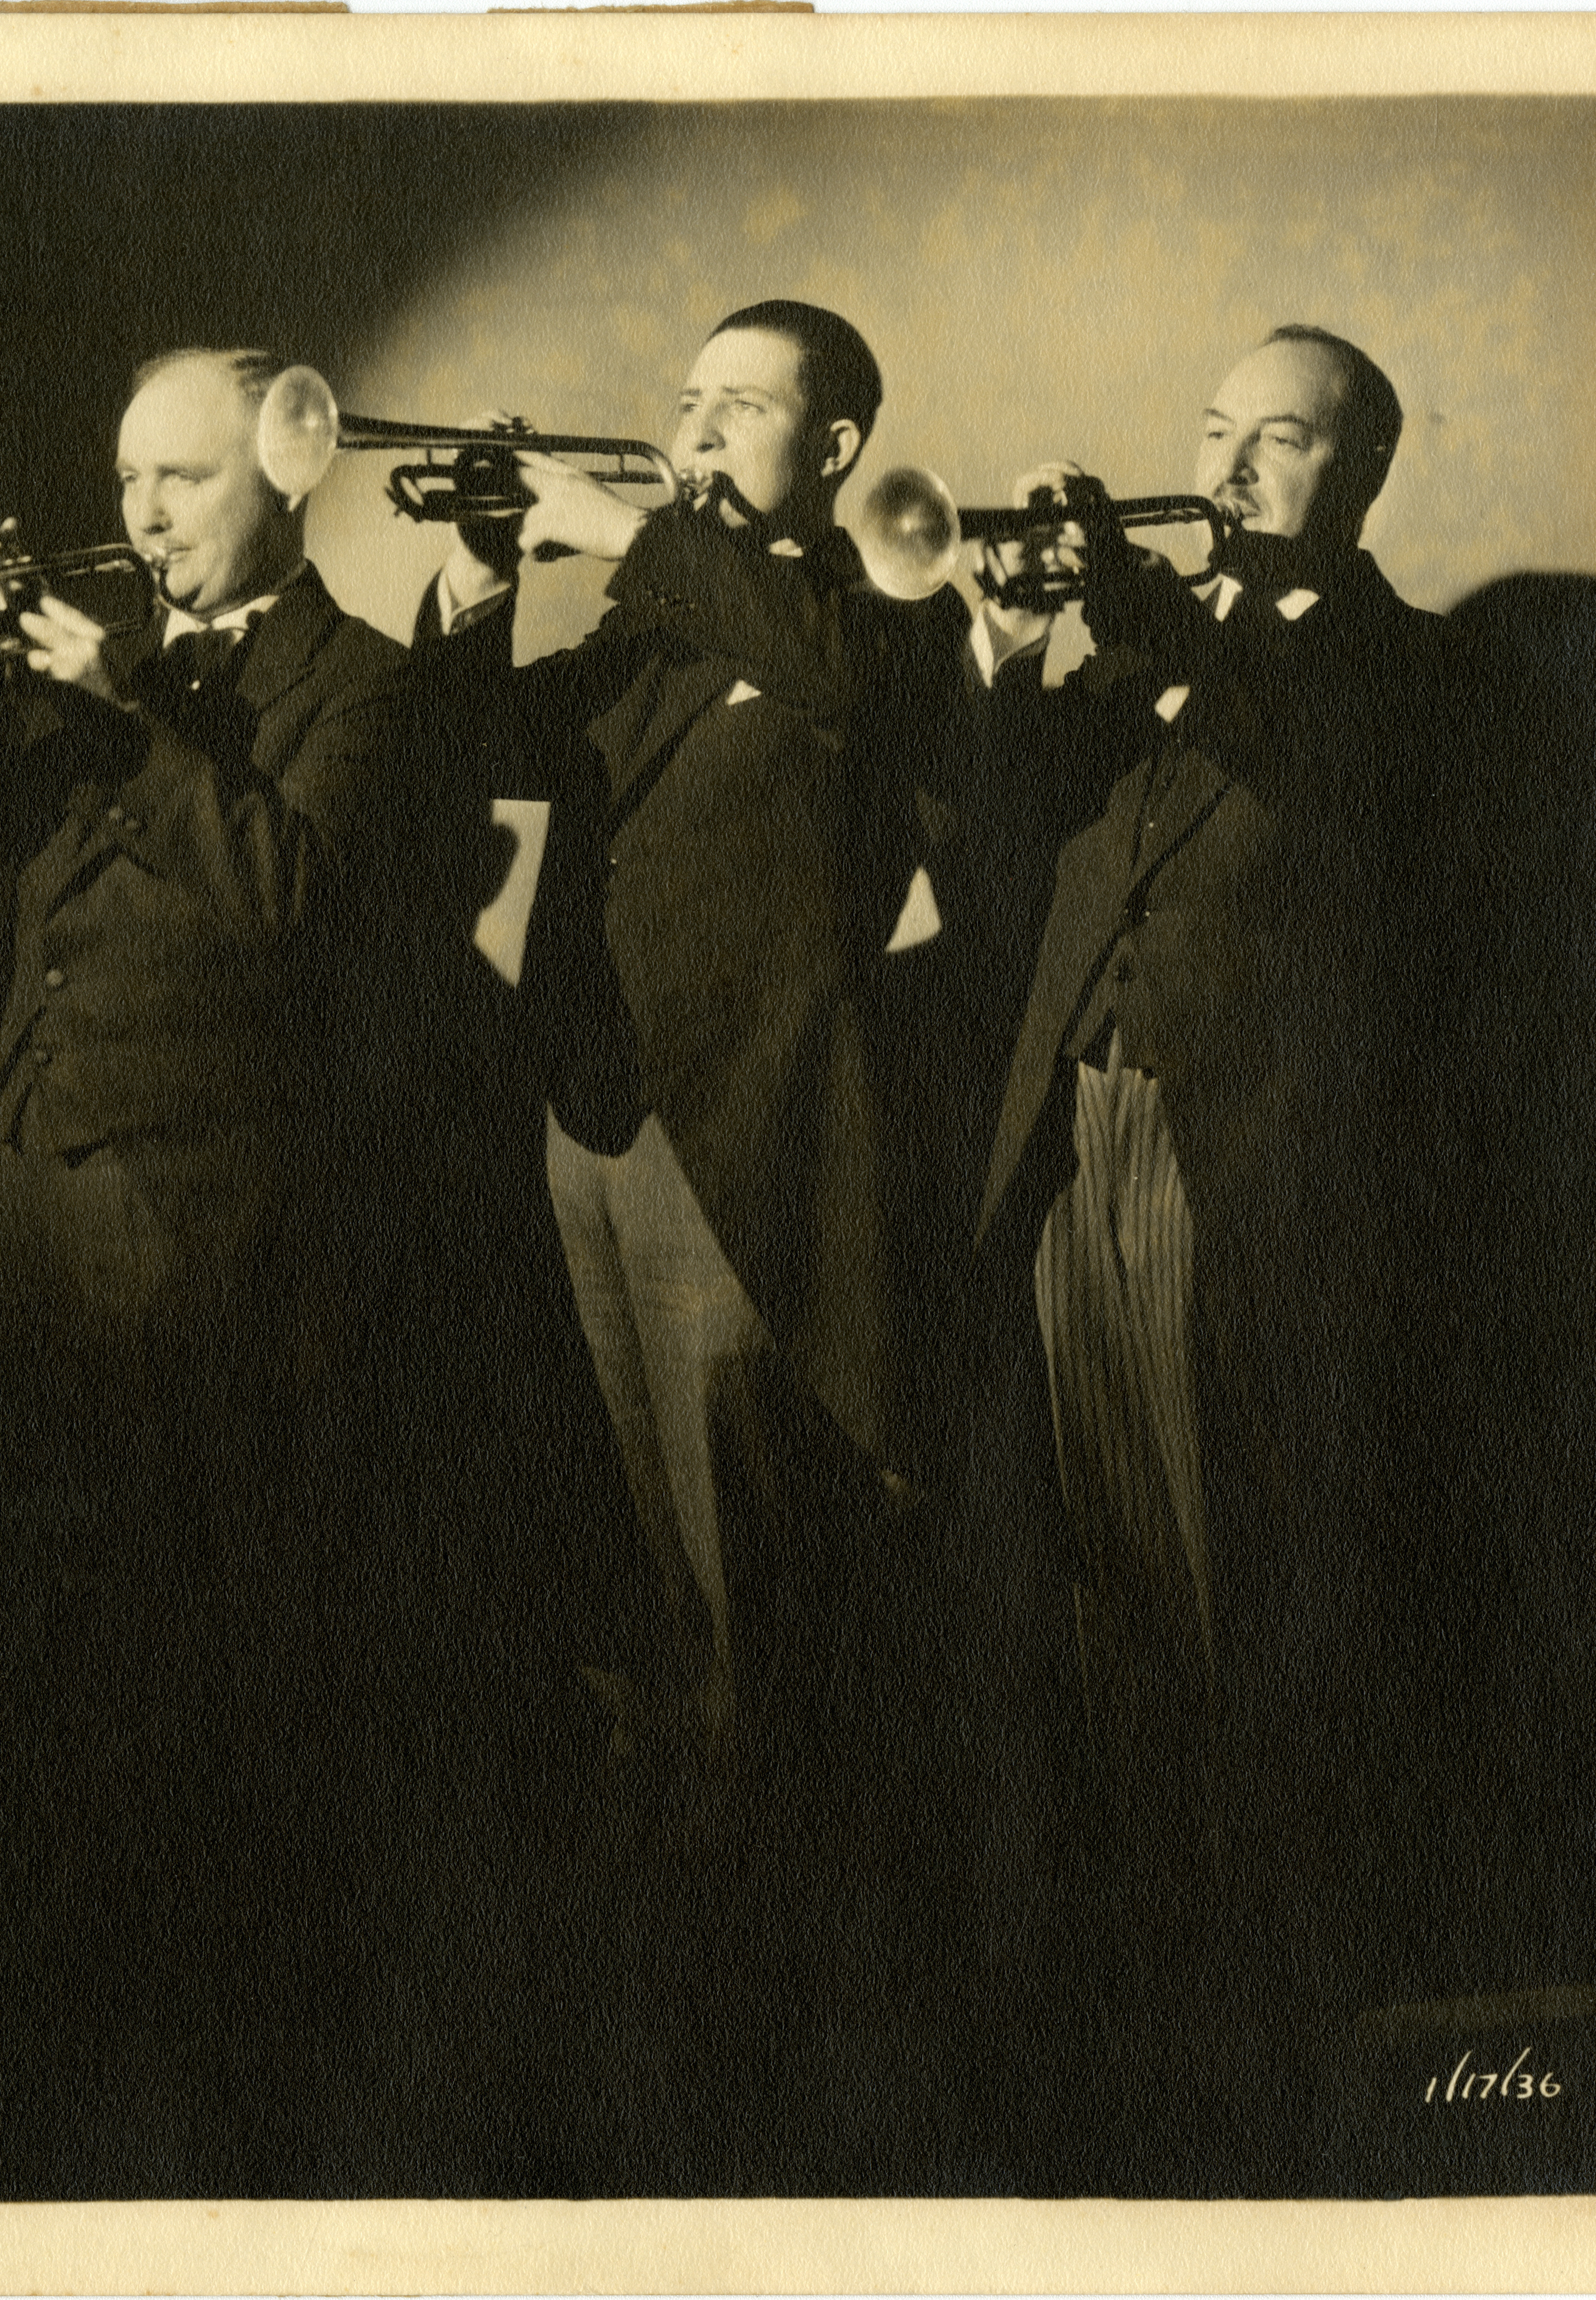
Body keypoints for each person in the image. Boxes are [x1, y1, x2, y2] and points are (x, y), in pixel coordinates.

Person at [0, 345, 602, 2192]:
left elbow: (300, 897)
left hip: (212, 1219)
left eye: (181, 481)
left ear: (281, 484)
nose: (138, 516)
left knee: (207, 1639)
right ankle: (77, 2028)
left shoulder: (355, 680)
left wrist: (129, 709)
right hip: (36, 1177)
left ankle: (238, 2057)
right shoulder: (108, 678)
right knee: (51, 1631)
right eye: (126, 479)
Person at [412, 300, 990, 2186]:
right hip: (593, 1126)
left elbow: (830, 684)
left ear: (833, 449)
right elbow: (474, 756)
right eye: (686, 401)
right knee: (657, 1572)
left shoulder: (875, 616)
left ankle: (784, 2034)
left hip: (745, 1156)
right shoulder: (662, 614)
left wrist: (629, 523)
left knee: (767, 1600)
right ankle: (687, 1992)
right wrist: (480, 568)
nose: (689, 428)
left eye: (740, 406)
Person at [964, 324, 1454, 2185]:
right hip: (1073, 1133)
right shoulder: (1156, 653)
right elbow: (1008, 850)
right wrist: (1013, 658)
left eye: (1280, 442)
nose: (1233, 467)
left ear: (1362, 475)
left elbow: (1322, 802)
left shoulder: (1403, 673)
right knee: (1109, 1558)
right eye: (1212, 433)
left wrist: (1156, 636)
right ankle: (1154, 1945)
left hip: (1229, 1160)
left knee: (1227, 1558)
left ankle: (1258, 1978)